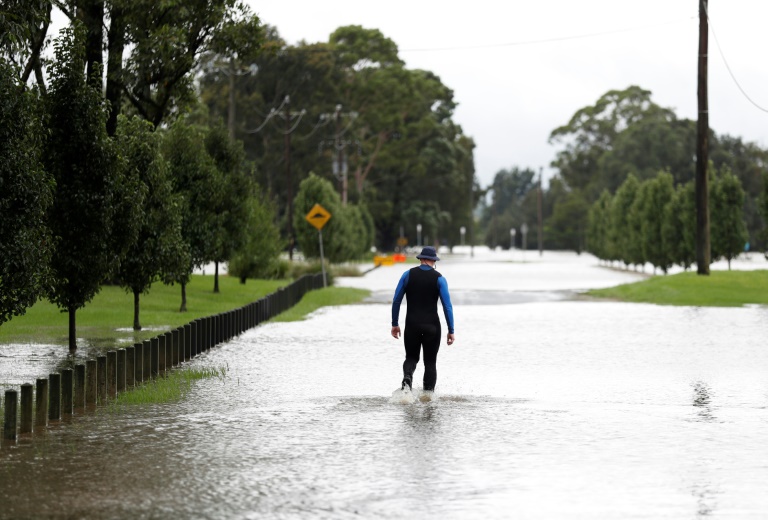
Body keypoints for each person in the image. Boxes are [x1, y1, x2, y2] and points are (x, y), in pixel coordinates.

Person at [391, 246, 455, 393]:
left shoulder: (407, 275)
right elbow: (447, 306)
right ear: (433, 260)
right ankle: (428, 398)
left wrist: (395, 324)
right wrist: (451, 330)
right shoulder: (440, 278)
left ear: (421, 259)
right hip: (432, 327)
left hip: (412, 325)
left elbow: (396, 301)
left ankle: (407, 377)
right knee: (430, 363)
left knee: (411, 358)